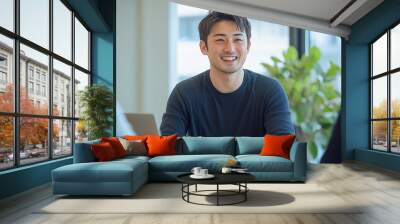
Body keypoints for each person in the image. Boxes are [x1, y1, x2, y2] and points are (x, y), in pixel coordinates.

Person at [160, 11, 294, 137]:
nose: (230, 49)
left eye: (238, 39)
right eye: (220, 40)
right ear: (203, 47)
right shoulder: (184, 93)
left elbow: (283, 151)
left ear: (248, 46)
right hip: (200, 164)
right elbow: (168, 151)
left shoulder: (270, 91)